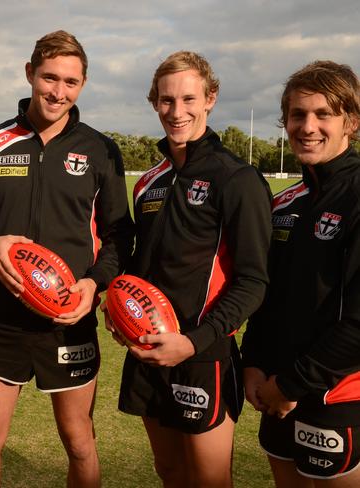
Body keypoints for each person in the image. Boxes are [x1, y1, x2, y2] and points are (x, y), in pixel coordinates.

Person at [0, 30, 133, 487]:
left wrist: (94, 284)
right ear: (29, 73)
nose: (58, 92)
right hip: (1, 319)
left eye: (71, 82)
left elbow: (120, 235)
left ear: (82, 85)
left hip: (70, 318)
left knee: (79, 442)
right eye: (49, 78)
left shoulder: (100, 150)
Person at [107, 51, 272, 488]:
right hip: (146, 350)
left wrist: (193, 342)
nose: (176, 112)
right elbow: (140, 263)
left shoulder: (236, 179)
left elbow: (254, 282)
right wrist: (118, 307)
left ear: (210, 99)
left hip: (203, 355)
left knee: (208, 480)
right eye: (165, 100)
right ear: (154, 102)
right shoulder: (149, 182)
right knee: (170, 473)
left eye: (188, 99)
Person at [241, 61, 360, 487]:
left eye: (323, 114)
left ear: (351, 121)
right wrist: (253, 363)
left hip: (336, 395)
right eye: (297, 114)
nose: (307, 126)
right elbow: (268, 296)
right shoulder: (285, 202)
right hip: (277, 389)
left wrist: (291, 385)